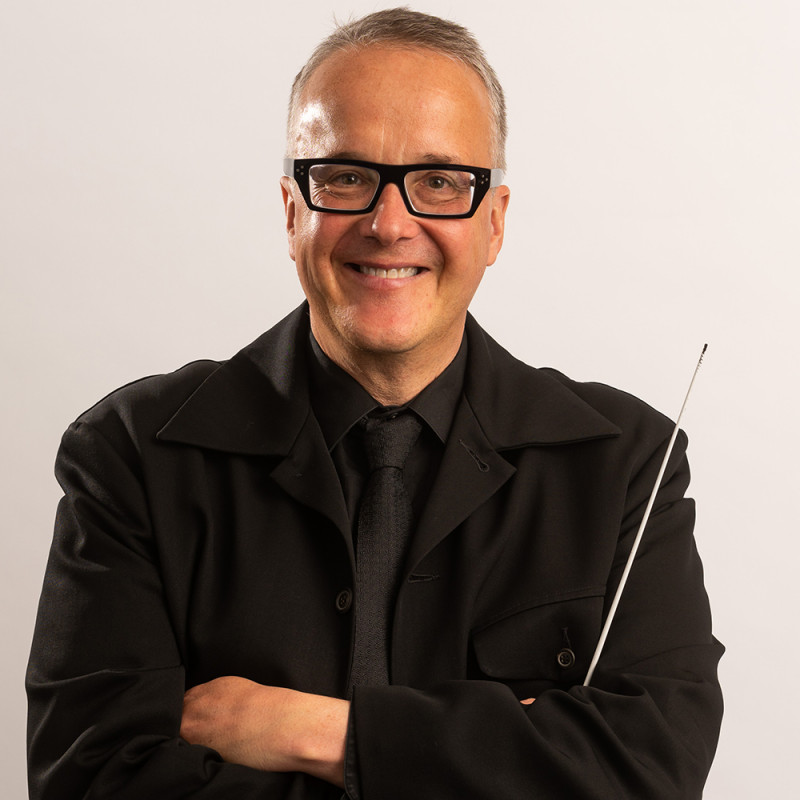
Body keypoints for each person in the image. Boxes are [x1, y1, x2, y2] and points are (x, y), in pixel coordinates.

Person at [26, 8, 723, 799]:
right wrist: (509, 756)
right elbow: (91, 784)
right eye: (347, 176)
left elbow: (648, 772)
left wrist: (319, 733)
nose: (391, 225)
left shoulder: (627, 464)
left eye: (439, 182)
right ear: (292, 209)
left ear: (494, 223)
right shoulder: (130, 455)